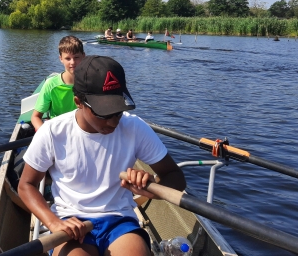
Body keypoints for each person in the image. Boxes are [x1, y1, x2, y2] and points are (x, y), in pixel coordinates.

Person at [19, 56, 186, 256]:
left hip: (119, 220)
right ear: (78, 102)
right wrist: (53, 222)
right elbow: (26, 185)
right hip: (71, 222)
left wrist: (152, 188)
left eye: (118, 112)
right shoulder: (53, 131)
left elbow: (176, 177)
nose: (114, 122)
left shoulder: (135, 127)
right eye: (104, 113)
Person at [31, 36, 86, 132]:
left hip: (81, 130)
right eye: (68, 58)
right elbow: (35, 117)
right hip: (57, 131)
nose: (72, 62)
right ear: (61, 59)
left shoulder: (90, 82)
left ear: (83, 56)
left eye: (76, 57)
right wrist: (45, 134)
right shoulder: (51, 85)